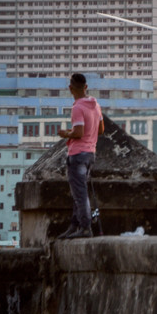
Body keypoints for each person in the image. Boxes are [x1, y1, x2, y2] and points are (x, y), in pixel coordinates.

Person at [57, 73, 104, 239]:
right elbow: (101, 129)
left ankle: (85, 228)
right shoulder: (95, 105)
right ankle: (74, 225)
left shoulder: (77, 107)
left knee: (80, 194)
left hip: (77, 155)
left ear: (70, 88)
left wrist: (65, 134)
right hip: (91, 153)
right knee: (79, 192)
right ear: (86, 87)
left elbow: (78, 132)